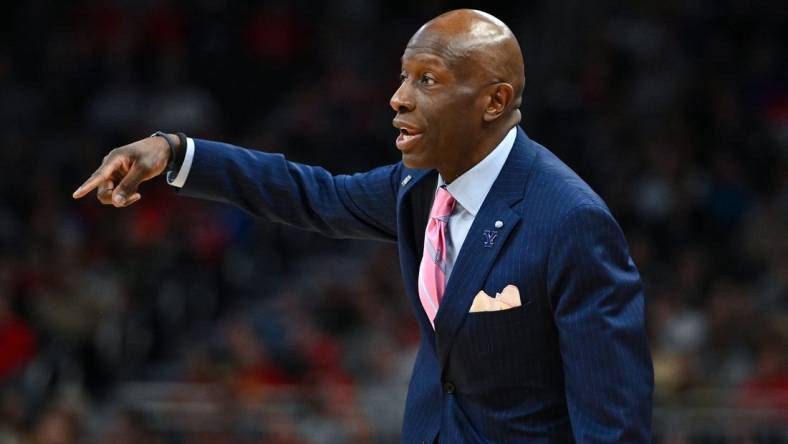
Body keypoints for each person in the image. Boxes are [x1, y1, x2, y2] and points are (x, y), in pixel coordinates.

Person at [73, 9, 653, 443]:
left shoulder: (571, 221)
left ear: (495, 101)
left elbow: (615, 425)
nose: (398, 98)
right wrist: (172, 151)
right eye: (403, 77)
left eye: (427, 80)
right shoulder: (418, 186)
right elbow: (310, 192)